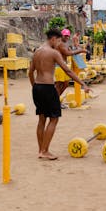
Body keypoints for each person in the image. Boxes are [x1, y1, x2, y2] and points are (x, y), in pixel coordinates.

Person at [28, 28, 90, 160]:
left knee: (41, 119)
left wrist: (34, 86)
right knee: (54, 119)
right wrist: (82, 84)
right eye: (58, 41)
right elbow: (67, 71)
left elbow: (30, 72)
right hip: (48, 87)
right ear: (53, 39)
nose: (59, 44)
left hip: (37, 87)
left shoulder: (37, 52)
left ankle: (41, 150)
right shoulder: (53, 53)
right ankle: (45, 151)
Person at [54, 29, 86, 97]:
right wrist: (80, 50)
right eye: (65, 36)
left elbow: (68, 51)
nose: (67, 37)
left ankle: (56, 100)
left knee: (66, 83)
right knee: (58, 85)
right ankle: (55, 101)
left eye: (68, 36)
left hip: (63, 66)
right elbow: (67, 53)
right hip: (59, 66)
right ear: (61, 35)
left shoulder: (64, 44)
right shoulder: (60, 43)